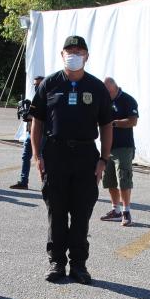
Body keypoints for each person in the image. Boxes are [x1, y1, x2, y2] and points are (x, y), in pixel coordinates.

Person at [29, 35, 113, 284]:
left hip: (87, 155)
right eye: (69, 50)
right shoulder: (50, 84)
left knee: (81, 212)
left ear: (87, 55)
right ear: (62, 54)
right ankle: (56, 262)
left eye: (79, 50)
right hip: (56, 153)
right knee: (56, 210)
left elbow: (107, 125)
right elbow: (37, 121)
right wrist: (37, 155)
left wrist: (104, 160)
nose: (74, 54)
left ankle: (78, 264)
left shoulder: (97, 87)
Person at [97, 77, 139, 226]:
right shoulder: (104, 100)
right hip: (107, 147)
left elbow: (132, 121)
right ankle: (116, 210)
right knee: (110, 181)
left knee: (124, 179)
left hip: (124, 147)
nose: (106, 94)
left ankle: (126, 211)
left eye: (108, 92)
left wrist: (112, 123)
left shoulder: (128, 100)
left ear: (115, 88)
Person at [9, 75, 44, 190]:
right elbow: (29, 116)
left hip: (42, 134)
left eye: (39, 84)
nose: (37, 87)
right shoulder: (34, 99)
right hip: (30, 133)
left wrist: (30, 116)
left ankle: (46, 182)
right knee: (25, 157)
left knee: (42, 159)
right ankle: (23, 181)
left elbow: (43, 118)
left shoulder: (48, 98)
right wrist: (24, 112)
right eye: (35, 85)